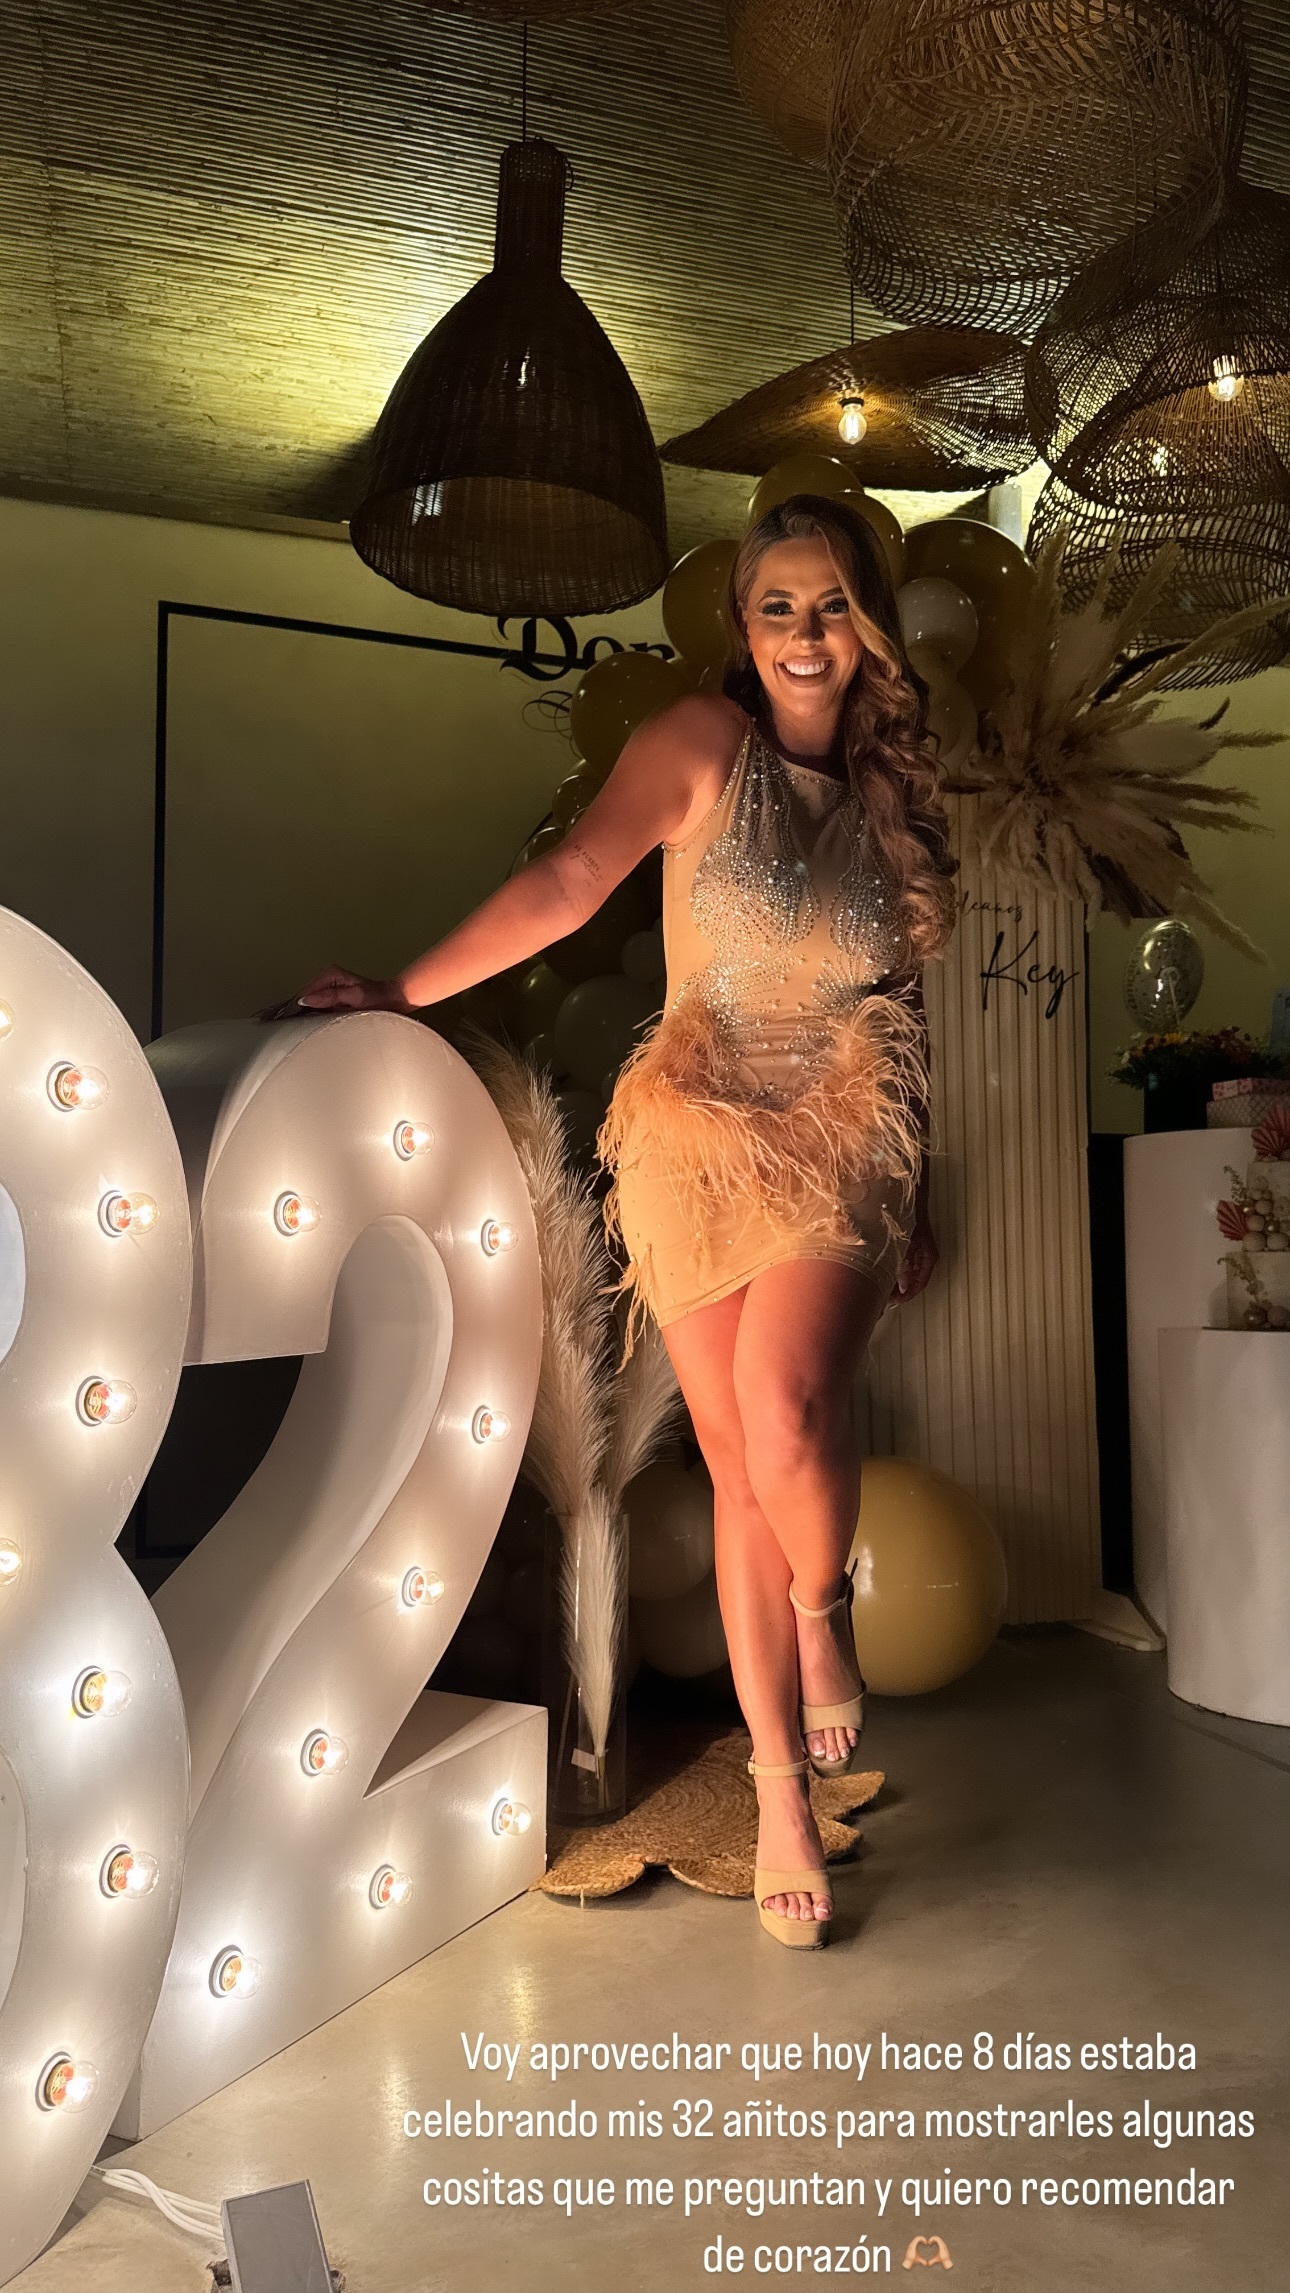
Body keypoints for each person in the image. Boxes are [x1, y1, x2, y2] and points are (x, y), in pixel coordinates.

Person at [288, 495, 956, 1949]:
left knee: (787, 1409)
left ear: (867, 627)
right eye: (775, 607)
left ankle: (822, 1605)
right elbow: (572, 879)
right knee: (735, 1464)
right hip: (695, 1127)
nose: (803, 635)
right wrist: (403, 992)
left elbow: (903, 1010)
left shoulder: (893, 798)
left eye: (830, 606)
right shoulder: (698, 745)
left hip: (841, 1123)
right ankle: (779, 1799)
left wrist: (928, 1173)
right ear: (743, 627)